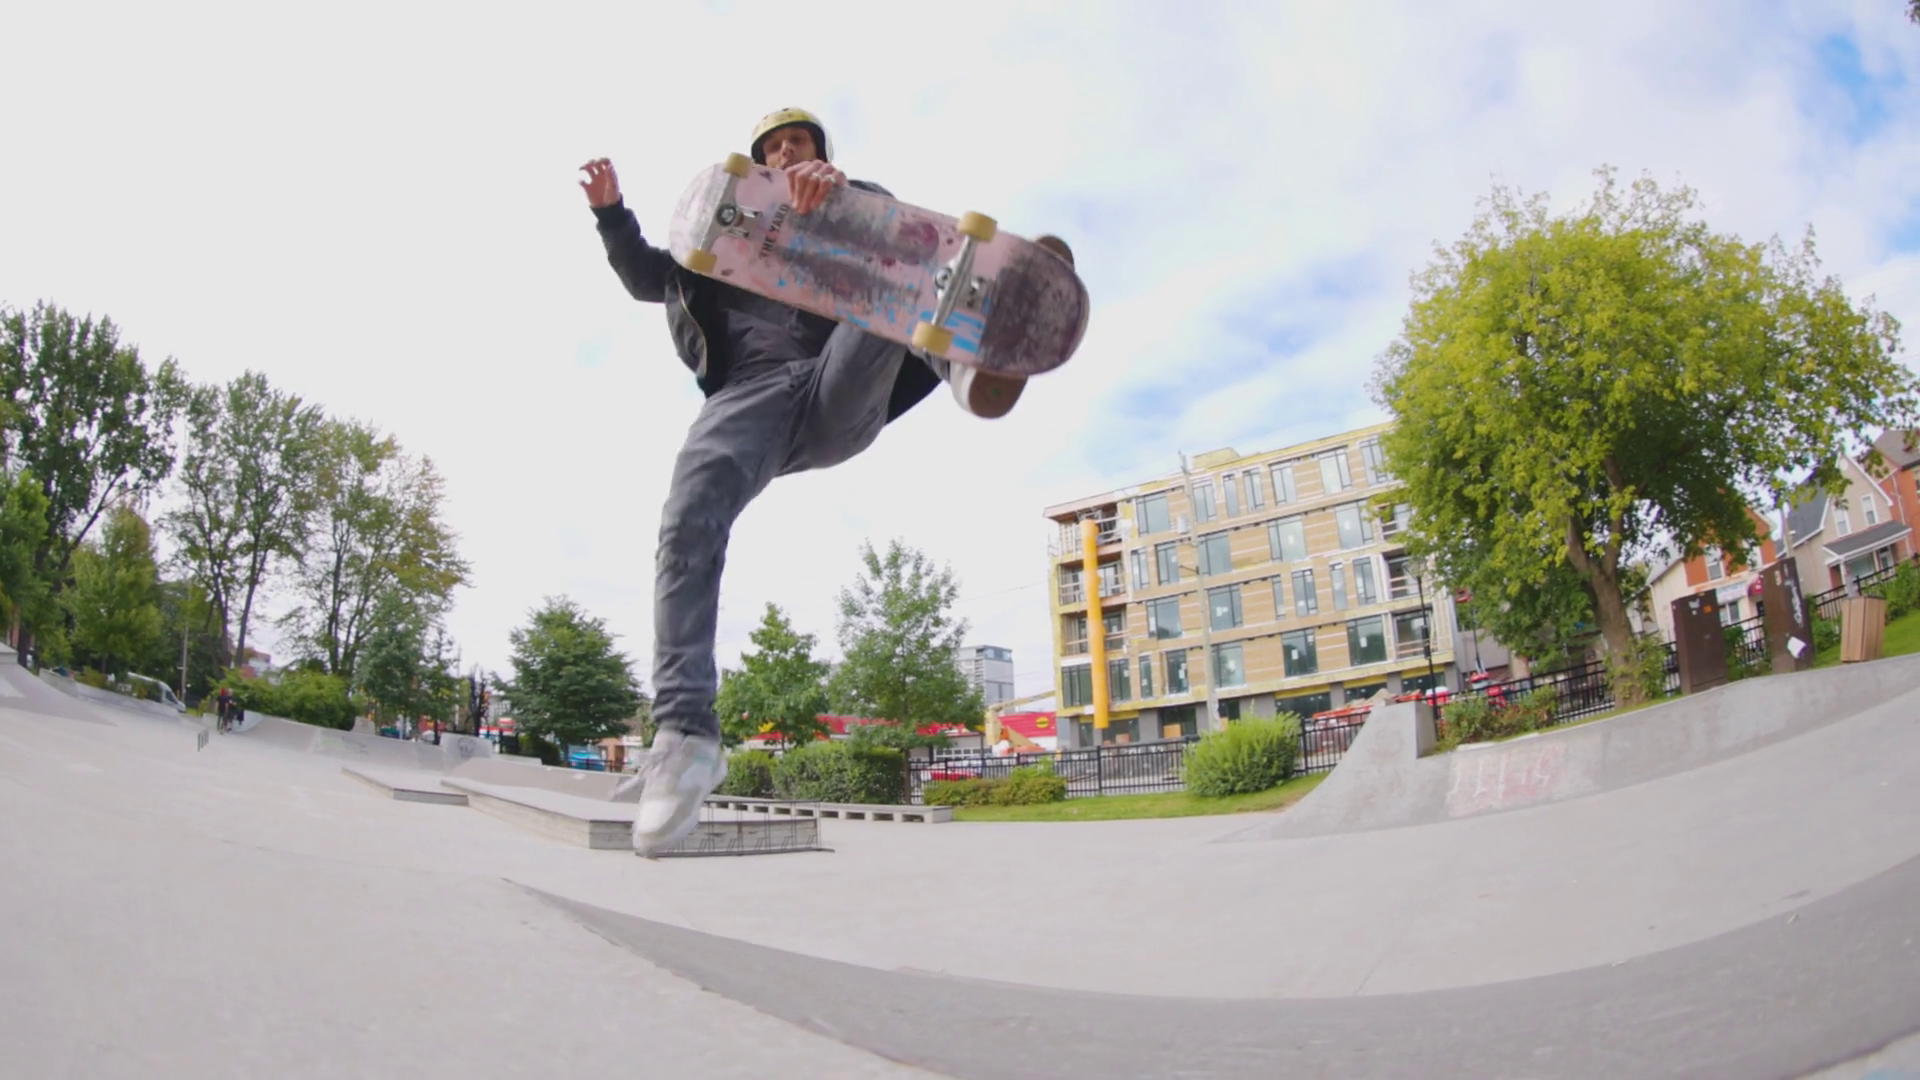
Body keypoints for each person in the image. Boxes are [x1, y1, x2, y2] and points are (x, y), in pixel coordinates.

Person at [583, 108, 1074, 855]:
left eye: (800, 145)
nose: (788, 154)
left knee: (884, 286)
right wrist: (612, 214)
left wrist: (843, 199)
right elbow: (646, 275)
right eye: (775, 150)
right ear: (757, 167)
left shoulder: (843, 200)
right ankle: (685, 737)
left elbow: (908, 238)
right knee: (686, 520)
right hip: (747, 398)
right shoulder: (709, 246)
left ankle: (969, 353)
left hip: (835, 383)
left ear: (818, 153)